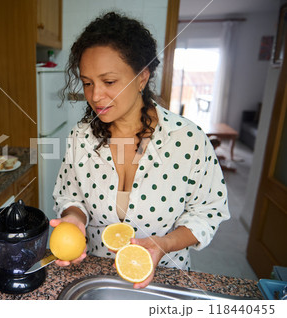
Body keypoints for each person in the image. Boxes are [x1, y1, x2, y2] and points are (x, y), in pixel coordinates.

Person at [50, 12, 230, 288]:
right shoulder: (81, 136)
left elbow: (208, 211)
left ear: (142, 78)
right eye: (87, 83)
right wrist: (74, 220)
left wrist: (163, 244)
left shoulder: (187, 139)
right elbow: (71, 196)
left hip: (164, 275)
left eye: (109, 82)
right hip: (95, 273)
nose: (95, 95)